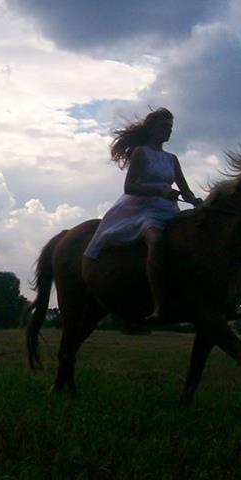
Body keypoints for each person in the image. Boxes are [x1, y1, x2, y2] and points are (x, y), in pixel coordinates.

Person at [83, 107, 202, 322]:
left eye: (171, 127)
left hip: (168, 209)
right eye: (164, 126)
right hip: (142, 209)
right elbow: (130, 186)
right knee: (155, 241)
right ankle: (159, 305)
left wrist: (195, 201)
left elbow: (184, 188)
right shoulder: (141, 152)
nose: (168, 131)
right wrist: (159, 190)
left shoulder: (172, 159)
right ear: (152, 129)